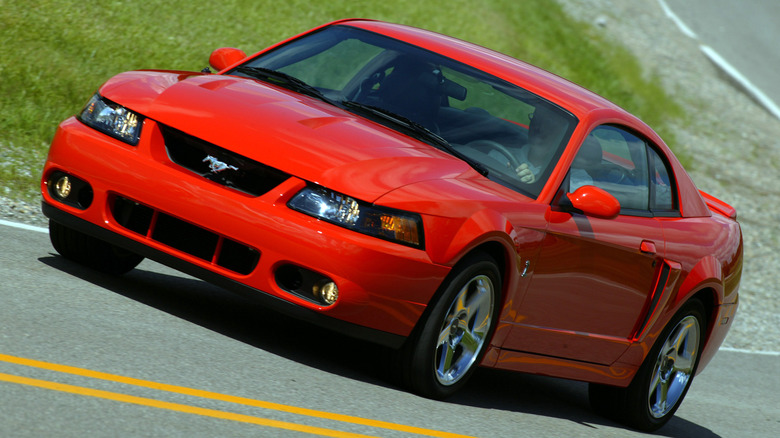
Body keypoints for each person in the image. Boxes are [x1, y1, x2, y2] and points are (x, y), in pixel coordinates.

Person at [515, 104, 570, 184]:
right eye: (536, 120)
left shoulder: (572, 179)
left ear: (564, 133)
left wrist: (533, 186)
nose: (539, 128)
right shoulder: (500, 156)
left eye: (549, 124)